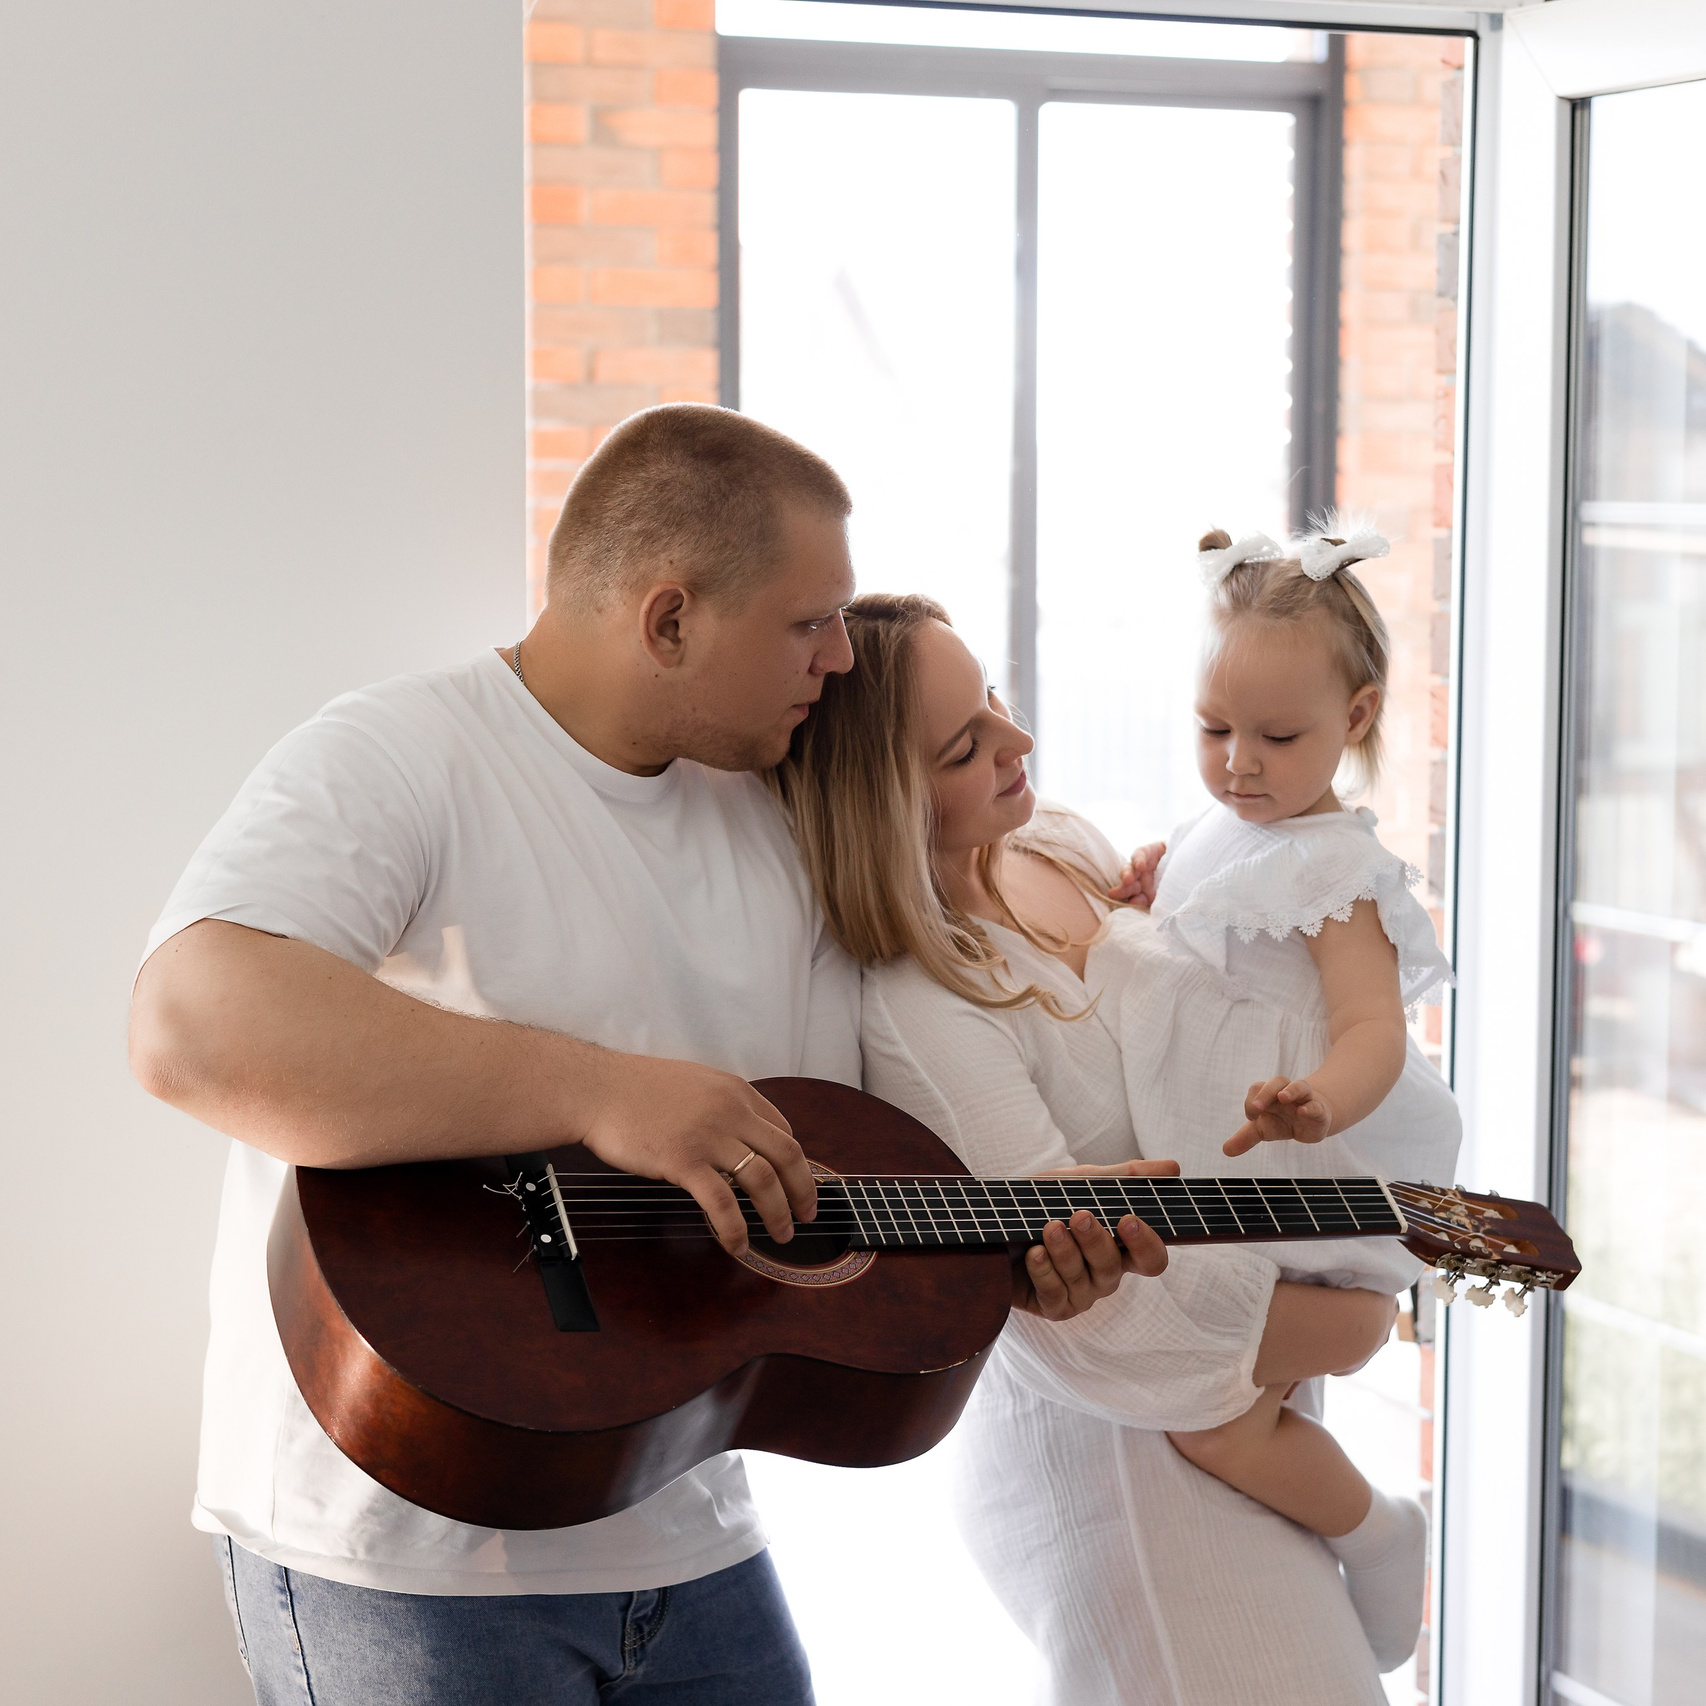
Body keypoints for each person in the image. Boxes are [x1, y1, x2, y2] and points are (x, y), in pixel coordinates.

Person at [128, 404, 1161, 1706]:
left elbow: (851, 1163)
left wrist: (1012, 1255)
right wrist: (601, 1092)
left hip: (683, 1518)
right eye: (806, 622)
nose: (840, 658)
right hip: (403, 1546)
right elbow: (192, 1025)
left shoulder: (775, 820)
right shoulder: (400, 755)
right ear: (668, 620)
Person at [772, 590, 1412, 1705]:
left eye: (998, 703)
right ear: (883, 802)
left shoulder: (1054, 840)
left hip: (1243, 1376)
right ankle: (1383, 1529)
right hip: (1128, 1451)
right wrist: (1347, 1322)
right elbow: (1095, 1299)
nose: (1017, 743)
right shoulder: (919, 1008)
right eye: (967, 744)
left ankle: (1378, 1528)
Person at [1099, 520, 1462, 1670]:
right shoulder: (1227, 823)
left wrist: (1320, 1099)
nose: (1238, 763)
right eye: (1212, 730)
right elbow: (1212, 918)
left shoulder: (1332, 867)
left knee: (1213, 1419)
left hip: (1304, 1154)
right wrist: (1163, 883)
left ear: (1354, 720)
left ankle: (1375, 1522)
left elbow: (1370, 1024)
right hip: (1230, 1152)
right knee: (1259, 1378)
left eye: (1275, 735)